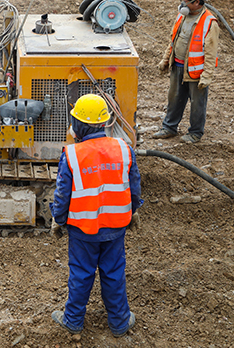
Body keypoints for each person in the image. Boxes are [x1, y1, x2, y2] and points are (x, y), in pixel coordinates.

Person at [49, 94, 142, 337]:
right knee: (113, 273)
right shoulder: (124, 149)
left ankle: (73, 320)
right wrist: (134, 211)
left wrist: (58, 220)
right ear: (104, 123)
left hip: (83, 230)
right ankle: (120, 323)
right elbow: (134, 186)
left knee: (81, 274)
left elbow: (62, 195)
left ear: (79, 125)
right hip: (115, 227)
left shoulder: (71, 155)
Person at [153, 0, 219, 143]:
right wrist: (166, 59)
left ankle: (195, 132)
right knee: (174, 98)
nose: (182, 2)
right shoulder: (182, 16)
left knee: (197, 103)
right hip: (178, 66)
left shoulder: (209, 22)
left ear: (197, 2)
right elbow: (173, 40)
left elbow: (211, 52)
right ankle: (169, 127)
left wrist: (207, 76)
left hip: (195, 72)